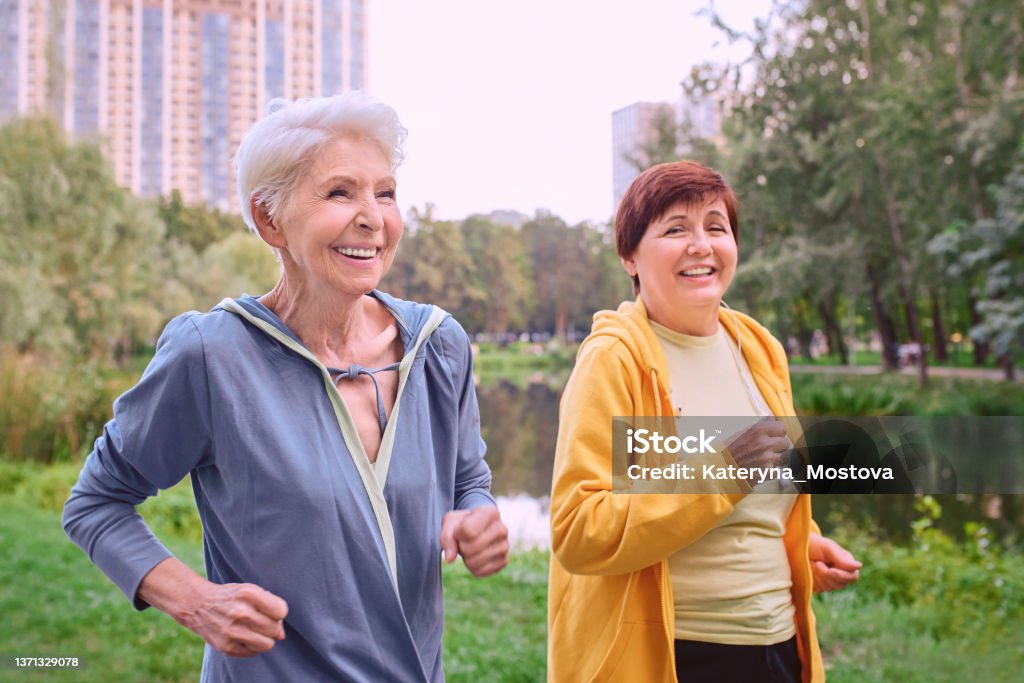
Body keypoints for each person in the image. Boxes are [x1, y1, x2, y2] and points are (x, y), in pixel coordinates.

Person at [63, 93, 509, 682]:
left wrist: (478, 517)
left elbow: (468, 481)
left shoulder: (438, 345)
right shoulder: (211, 354)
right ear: (270, 219)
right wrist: (195, 601)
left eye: (385, 192)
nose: (373, 217)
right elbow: (96, 502)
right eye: (339, 192)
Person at [547, 161, 861, 682]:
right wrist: (722, 471)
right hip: (674, 656)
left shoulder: (759, 347)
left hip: (778, 649)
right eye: (676, 229)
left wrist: (798, 544)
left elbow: (758, 492)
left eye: (716, 227)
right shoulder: (613, 360)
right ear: (630, 256)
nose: (701, 245)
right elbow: (579, 530)